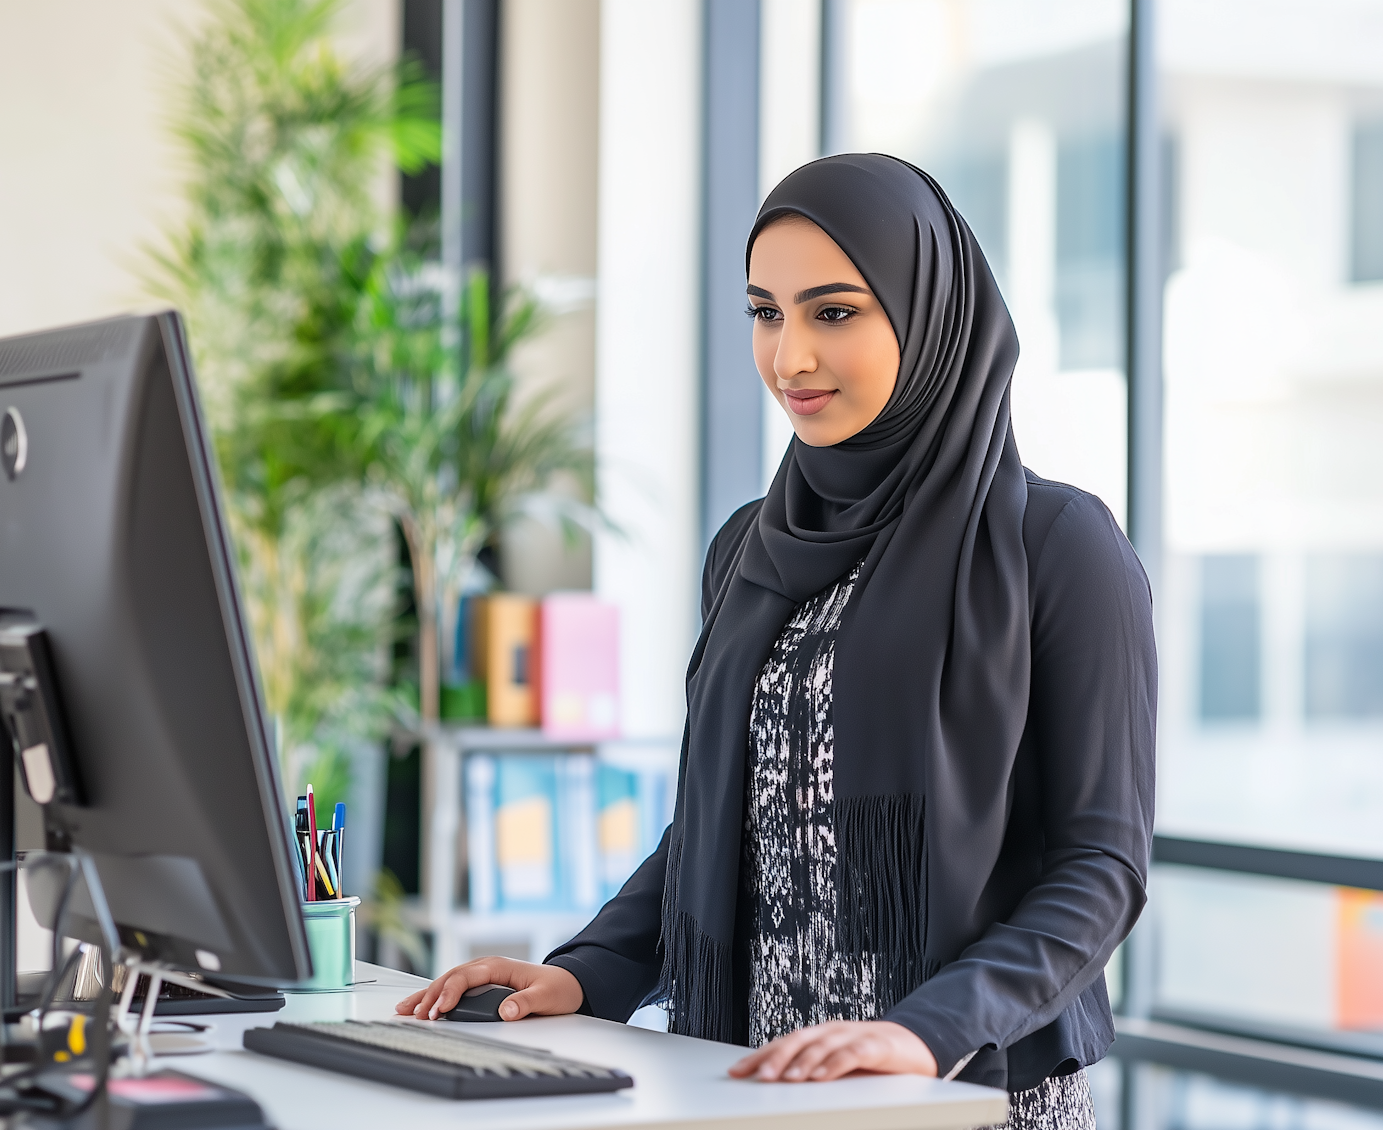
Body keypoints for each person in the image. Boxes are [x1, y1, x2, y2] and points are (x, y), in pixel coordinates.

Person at [397, 153, 1156, 1127]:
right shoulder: (749, 547)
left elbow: (1101, 866)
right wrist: (585, 969)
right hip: (750, 1086)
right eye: (766, 311)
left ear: (930, 317)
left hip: (961, 1092)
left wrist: (923, 1029)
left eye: (833, 311)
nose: (789, 355)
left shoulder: (1054, 545)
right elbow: (728, 823)